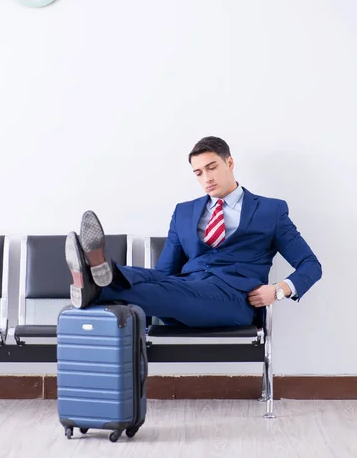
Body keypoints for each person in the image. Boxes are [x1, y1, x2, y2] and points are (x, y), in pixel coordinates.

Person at [64, 136, 322, 327]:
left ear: (229, 163)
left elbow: (311, 265)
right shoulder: (184, 212)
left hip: (234, 299)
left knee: (165, 290)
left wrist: (278, 290)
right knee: (152, 280)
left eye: (212, 168)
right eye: (198, 173)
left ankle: (94, 282)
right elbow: (164, 273)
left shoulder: (270, 210)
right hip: (185, 291)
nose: (206, 178)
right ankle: (98, 273)